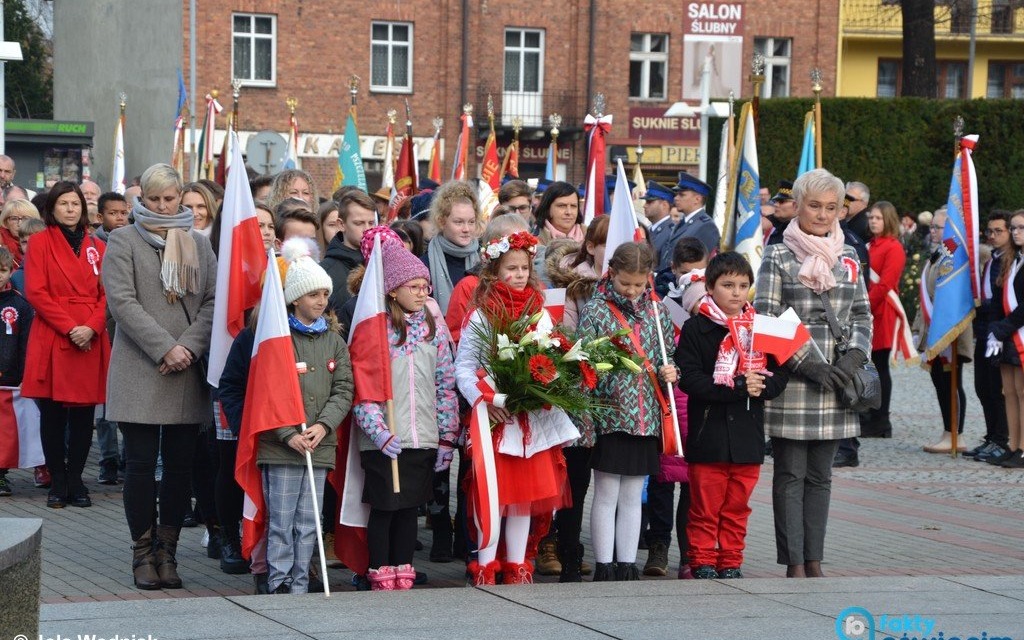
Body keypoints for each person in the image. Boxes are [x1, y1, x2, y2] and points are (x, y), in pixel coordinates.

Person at [102, 164, 217, 590]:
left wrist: (187, 347)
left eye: (170, 198)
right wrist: (164, 347)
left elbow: (211, 302)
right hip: (141, 367)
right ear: (142, 200)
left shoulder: (199, 246)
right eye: (155, 199)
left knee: (180, 469)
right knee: (140, 465)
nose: (163, 206)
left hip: (186, 369)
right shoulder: (123, 239)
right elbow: (122, 303)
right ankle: (141, 552)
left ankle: (167, 553)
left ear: (181, 196)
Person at [754, 168, 872, 578]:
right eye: (814, 205)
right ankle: (793, 562)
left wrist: (854, 356)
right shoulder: (778, 253)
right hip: (797, 380)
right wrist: (810, 365)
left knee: (821, 476)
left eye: (831, 207)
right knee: (790, 474)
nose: (822, 215)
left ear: (841, 210)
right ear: (799, 206)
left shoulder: (850, 254)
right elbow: (767, 318)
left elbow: (861, 312)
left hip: (838, 380)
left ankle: (815, 559)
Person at [455, 230, 573, 586]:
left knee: (525, 496)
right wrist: (484, 401)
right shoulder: (481, 316)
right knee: (492, 492)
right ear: (493, 271)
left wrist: (544, 387)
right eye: (511, 268)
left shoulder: (540, 313)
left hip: (528, 421)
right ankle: (486, 562)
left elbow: (551, 356)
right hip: (494, 418)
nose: (520, 274)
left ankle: (518, 563)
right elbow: (464, 367)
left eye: (524, 267)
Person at [235, 239, 353, 594]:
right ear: (295, 298)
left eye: (324, 294)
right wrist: (288, 433)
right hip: (283, 447)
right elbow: (266, 392)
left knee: (309, 520)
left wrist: (322, 425)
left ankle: (301, 580)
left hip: (318, 445)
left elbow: (344, 388)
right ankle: (279, 580)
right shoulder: (278, 339)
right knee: (282, 520)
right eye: (313, 294)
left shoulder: (334, 341)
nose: (321, 301)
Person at [352, 233, 458, 590]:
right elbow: (364, 390)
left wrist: (446, 437)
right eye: (413, 286)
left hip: (421, 434)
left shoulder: (432, 328)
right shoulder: (375, 329)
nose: (422, 292)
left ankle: (404, 567)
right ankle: (379, 567)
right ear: (393, 290)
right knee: (385, 506)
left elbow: (444, 384)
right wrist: (378, 431)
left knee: (411, 505)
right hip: (386, 437)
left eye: (425, 286)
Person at [677, 251, 788, 579]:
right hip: (708, 436)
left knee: (737, 507)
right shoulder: (696, 328)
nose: (737, 292)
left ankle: (730, 560)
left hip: (747, 437)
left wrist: (761, 386)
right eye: (728, 285)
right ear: (710, 287)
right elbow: (690, 378)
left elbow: (781, 374)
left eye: (743, 285)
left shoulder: (762, 327)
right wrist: (737, 385)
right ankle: (701, 559)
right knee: (705, 508)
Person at [578, 241, 677, 581]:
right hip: (611, 412)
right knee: (606, 492)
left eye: (639, 284)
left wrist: (670, 371)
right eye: (625, 284)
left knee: (634, 493)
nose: (633, 291)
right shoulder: (596, 310)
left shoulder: (657, 310)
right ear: (612, 274)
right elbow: (583, 363)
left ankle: (627, 561)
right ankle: (604, 563)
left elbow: (669, 354)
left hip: (646, 415)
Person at [23, 182, 110, 510]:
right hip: (55, 333)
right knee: (53, 414)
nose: (71, 209)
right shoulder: (41, 243)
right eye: (64, 203)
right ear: (53, 208)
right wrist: (71, 327)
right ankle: (58, 481)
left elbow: (108, 294)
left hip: (89, 335)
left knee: (84, 413)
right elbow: (36, 291)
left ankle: (77, 479)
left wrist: (92, 326)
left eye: (76, 203)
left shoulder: (97, 246)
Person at [913, 208, 971, 454]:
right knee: (940, 381)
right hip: (933, 330)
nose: (934, 231)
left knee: (951, 382)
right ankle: (948, 431)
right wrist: (918, 330)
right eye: (933, 227)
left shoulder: (955, 256)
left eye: (939, 227)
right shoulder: (938, 254)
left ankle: (956, 434)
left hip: (949, 333)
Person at [967, 212, 1010, 461]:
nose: (992, 236)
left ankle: (1002, 439)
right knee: (982, 387)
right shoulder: (993, 258)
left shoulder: (1009, 261)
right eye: (989, 231)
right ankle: (991, 435)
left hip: (999, 332)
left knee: (998, 390)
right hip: (984, 330)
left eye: (998, 231)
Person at [864, 201, 906, 439]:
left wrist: (864, 305)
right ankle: (870, 414)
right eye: (872, 217)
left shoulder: (893, 247)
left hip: (882, 312)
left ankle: (882, 420)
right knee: (869, 367)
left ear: (888, 220)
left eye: (878, 218)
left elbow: (886, 283)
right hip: (869, 310)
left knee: (880, 367)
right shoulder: (870, 245)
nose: (873, 221)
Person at [986, 210, 1024, 468]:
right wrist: (996, 330)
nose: (1016, 232)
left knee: (1022, 393)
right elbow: (1001, 300)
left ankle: (1023, 449)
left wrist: (1003, 328)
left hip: (1020, 332)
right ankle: (1012, 445)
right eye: (1013, 228)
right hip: (1008, 332)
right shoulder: (1012, 259)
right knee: (1008, 391)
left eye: (1021, 228)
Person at [0, 246, 37, 497]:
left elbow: (27, 343)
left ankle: (1, 475)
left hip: (9, 378)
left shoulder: (20, 304)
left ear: (11, 270)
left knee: (5, 432)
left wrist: (26, 374)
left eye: (2, 270)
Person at [424, 181, 483, 314]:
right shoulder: (424, 264)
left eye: (471, 222)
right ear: (441, 221)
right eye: (458, 222)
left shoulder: (485, 259)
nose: (466, 229)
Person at [321, 191, 376, 312]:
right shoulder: (323, 272)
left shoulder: (382, 263)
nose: (367, 229)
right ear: (341, 224)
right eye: (359, 223)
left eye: (371, 223)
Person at [659, 172, 719, 271]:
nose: (676, 198)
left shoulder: (706, 226)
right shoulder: (683, 223)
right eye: (677, 194)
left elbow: (703, 266)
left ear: (697, 199)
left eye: (681, 195)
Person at [0, 198, 41, 267]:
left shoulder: (43, 241)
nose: (20, 223)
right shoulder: (1, 243)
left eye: (26, 218)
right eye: (14, 218)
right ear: (6, 222)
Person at [643, 181, 676, 258]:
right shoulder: (647, 230)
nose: (644, 206)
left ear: (664, 205)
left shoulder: (672, 232)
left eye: (649, 202)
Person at [765, 180, 796, 246]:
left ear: (797, 205)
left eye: (782, 202)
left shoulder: (803, 232)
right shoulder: (771, 224)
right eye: (775, 201)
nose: (776, 204)